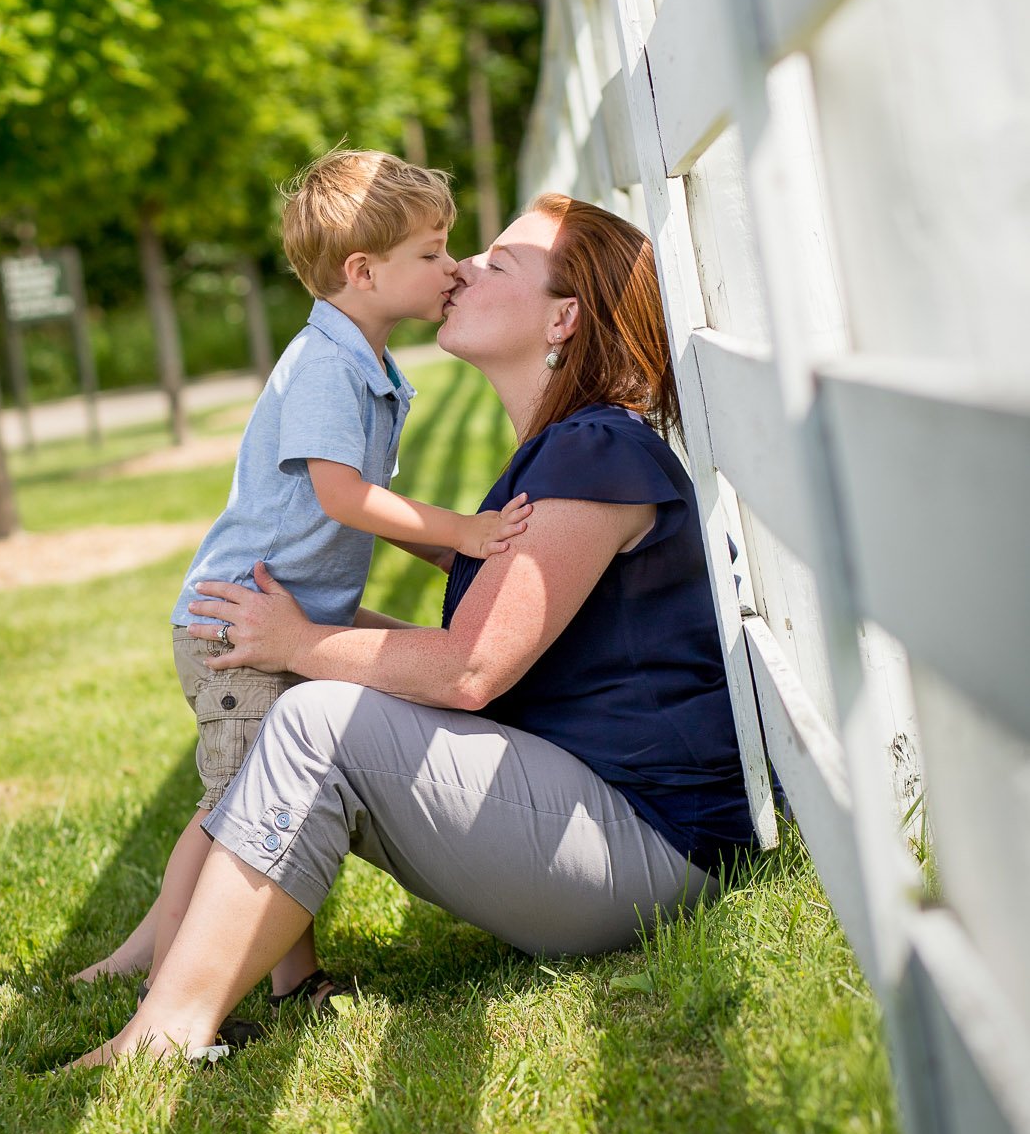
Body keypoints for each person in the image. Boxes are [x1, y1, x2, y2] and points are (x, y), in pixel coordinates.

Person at [71, 193, 758, 1069]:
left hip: (648, 842)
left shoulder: (595, 453)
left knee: (318, 719)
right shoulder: (562, 452)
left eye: (499, 262)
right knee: (313, 697)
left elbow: (469, 670)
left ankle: (163, 1033)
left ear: (563, 316)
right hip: (593, 814)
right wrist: (315, 622)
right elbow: (492, 647)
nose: (463, 265)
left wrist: (299, 643)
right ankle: (163, 966)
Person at [74, 149, 530, 1012]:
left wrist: (443, 557)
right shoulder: (324, 364)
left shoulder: (366, 360)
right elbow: (342, 495)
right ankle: (180, 982)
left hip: (294, 610)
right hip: (238, 623)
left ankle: (286, 976)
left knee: (262, 787)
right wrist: (462, 530)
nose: (452, 268)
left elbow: (359, 501)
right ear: (363, 271)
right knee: (237, 809)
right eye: (432, 253)